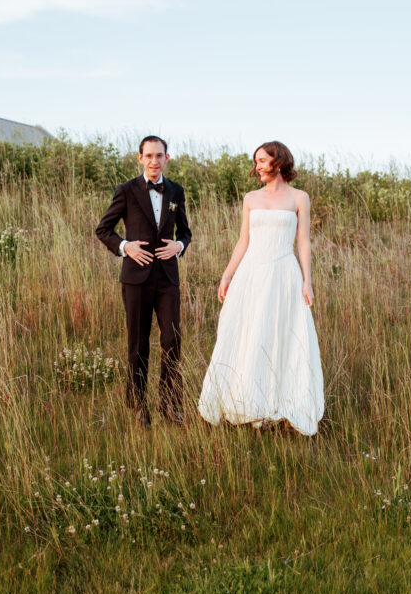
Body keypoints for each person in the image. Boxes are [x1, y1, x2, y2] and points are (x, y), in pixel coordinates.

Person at [198, 140, 324, 435]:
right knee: (249, 332)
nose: (256, 167)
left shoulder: (299, 198)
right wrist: (227, 275)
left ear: (278, 162)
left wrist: (308, 280)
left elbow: (303, 241)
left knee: (282, 334)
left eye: (261, 161)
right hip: (252, 273)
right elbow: (244, 240)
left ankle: (280, 406)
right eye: (255, 161)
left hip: (283, 273)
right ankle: (247, 403)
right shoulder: (251, 198)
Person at [95, 136, 193, 429]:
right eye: (148, 156)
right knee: (138, 344)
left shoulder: (176, 190)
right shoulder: (126, 190)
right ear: (140, 158)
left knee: (172, 339)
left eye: (159, 155)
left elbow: (185, 232)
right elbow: (103, 230)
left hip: (167, 278)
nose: (154, 161)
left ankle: (168, 400)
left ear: (167, 158)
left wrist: (179, 246)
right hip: (136, 278)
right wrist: (126, 247)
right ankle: (139, 406)